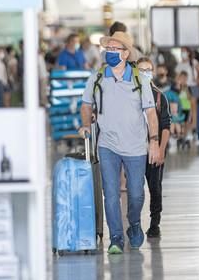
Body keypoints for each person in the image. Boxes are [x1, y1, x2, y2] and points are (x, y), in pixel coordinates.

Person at [78, 32, 160, 255]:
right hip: (108, 145)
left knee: (135, 194)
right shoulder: (96, 78)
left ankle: (134, 223)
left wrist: (153, 142)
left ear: (125, 54)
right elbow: (86, 104)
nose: (109, 53)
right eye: (108, 49)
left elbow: (151, 113)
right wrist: (86, 124)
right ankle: (115, 237)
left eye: (115, 50)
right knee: (111, 193)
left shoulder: (139, 79)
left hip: (135, 147)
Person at [136, 57, 171, 238]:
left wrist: (161, 149)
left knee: (155, 187)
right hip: (134, 149)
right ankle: (134, 222)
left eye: (148, 69)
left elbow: (165, 125)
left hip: (154, 149)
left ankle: (154, 222)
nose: (145, 73)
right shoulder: (130, 95)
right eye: (141, 70)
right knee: (134, 189)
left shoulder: (159, 97)